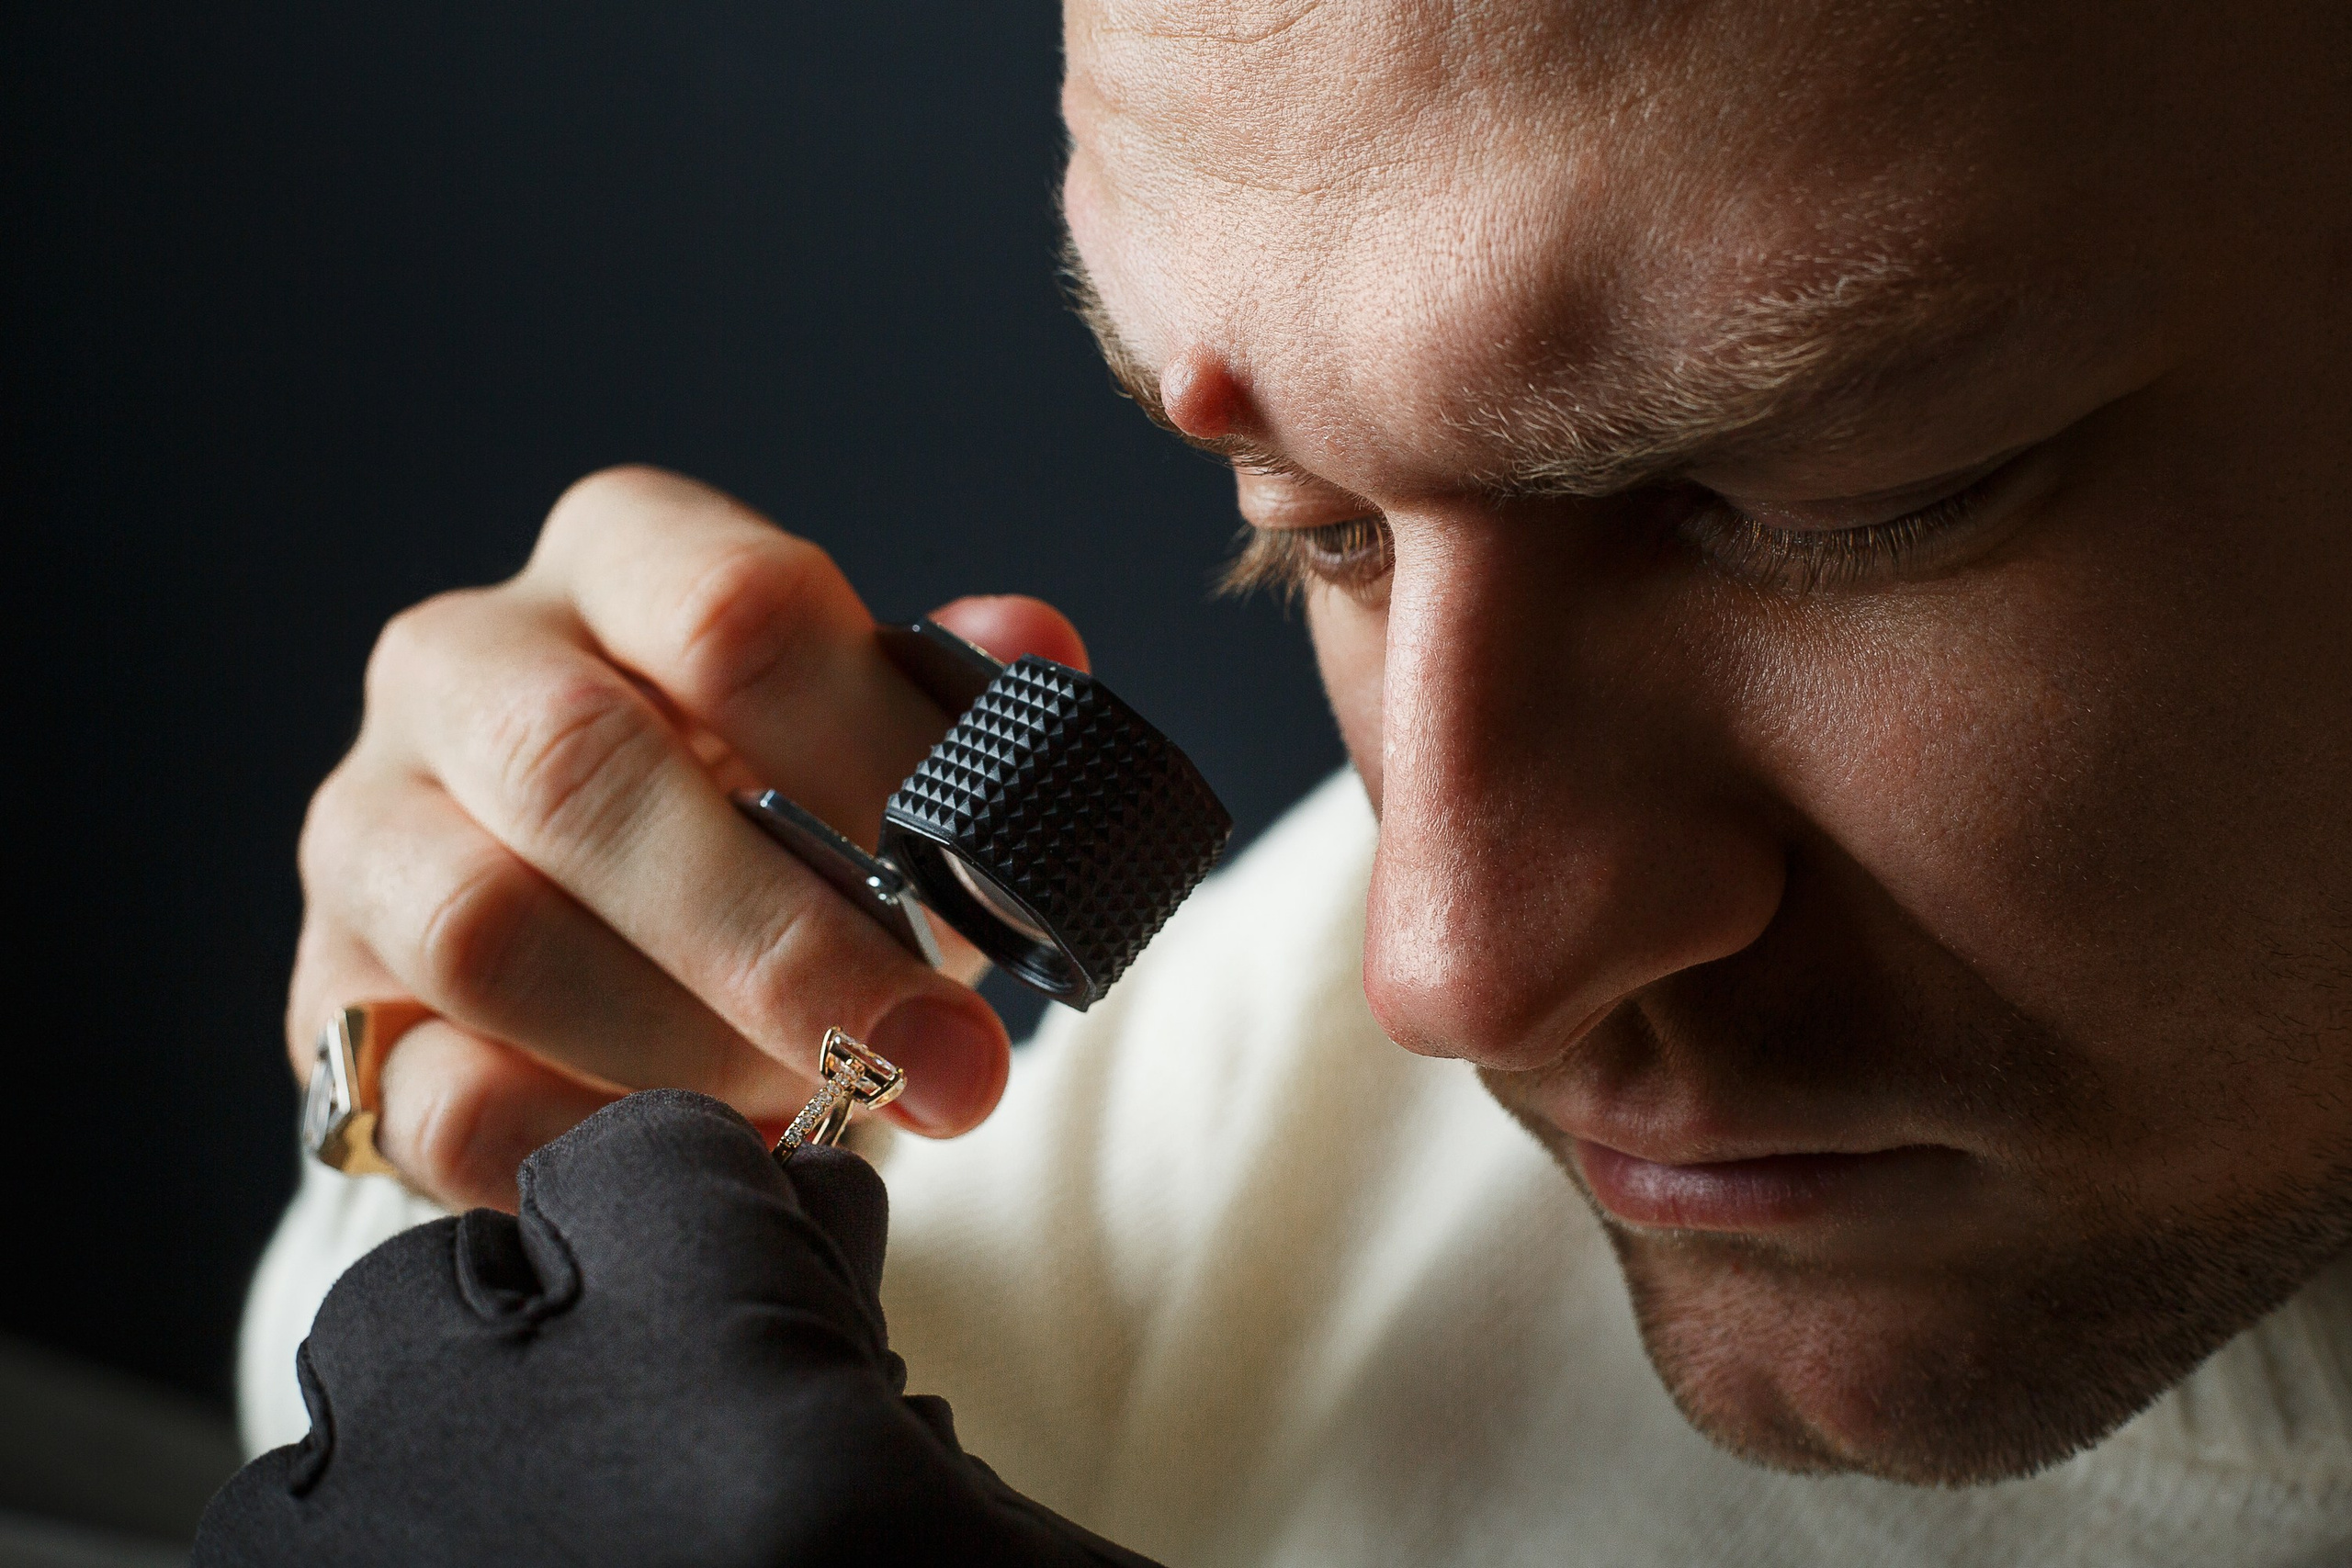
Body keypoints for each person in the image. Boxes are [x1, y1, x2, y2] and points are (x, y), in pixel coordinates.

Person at [232, 0, 2352, 1561]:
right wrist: (471, 1091)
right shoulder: (1257, 1098)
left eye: (1849, 497)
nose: (1444, 965)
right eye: (1314, 523)